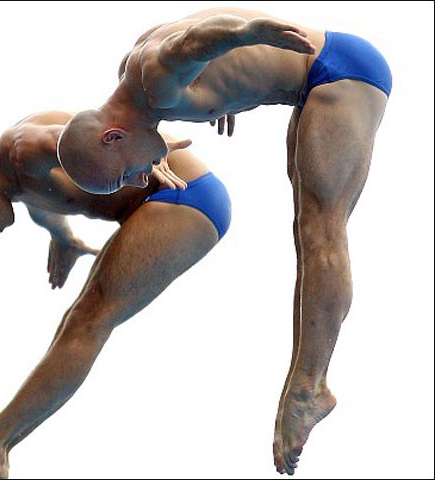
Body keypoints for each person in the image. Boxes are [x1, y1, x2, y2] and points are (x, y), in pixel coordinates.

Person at [56, 7, 392, 475]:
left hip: (342, 73)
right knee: (306, 230)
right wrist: (230, 88)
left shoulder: (156, 82)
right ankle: (306, 382)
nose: (140, 179)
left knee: (322, 230)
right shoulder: (137, 85)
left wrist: (245, 34)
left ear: (113, 136)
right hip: (317, 77)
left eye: (124, 174)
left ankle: (310, 386)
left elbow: (192, 40)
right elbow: (185, 42)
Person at [0, 110, 232, 478]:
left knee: (88, 321)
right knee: (77, 321)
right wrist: (64, 238)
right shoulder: (16, 181)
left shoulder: (24, 150)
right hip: (161, 203)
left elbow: (88, 137)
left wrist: (150, 149)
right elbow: (45, 209)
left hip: (184, 194)